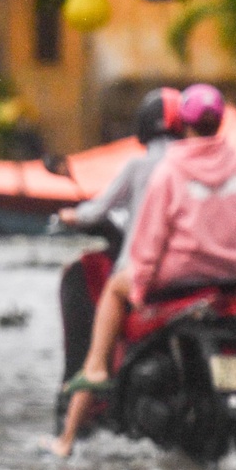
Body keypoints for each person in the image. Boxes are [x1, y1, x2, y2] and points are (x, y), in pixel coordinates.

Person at [45, 84, 236, 458]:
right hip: (228, 283)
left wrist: (141, 288)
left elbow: (149, 237)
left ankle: (96, 370)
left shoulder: (170, 171)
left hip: (174, 280)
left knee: (115, 288)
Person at [55, 87, 182, 383]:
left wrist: (71, 215)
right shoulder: (202, 168)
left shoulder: (139, 166)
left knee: (113, 291)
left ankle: (96, 369)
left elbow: (96, 211)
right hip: (200, 273)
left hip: (146, 272)